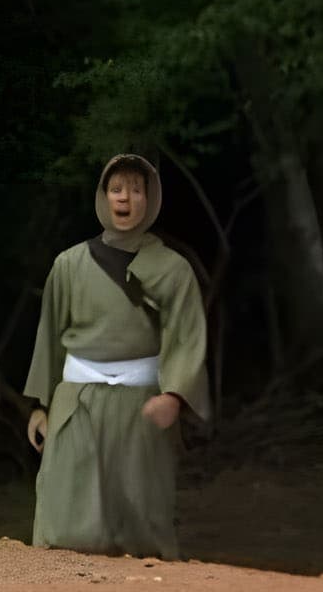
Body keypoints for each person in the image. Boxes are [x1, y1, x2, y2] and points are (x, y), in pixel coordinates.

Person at [22, 152, 211, 559]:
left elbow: (187, 336)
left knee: (142, 521)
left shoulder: (173, 269)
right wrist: (40, 406)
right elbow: (49, 336)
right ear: (103, 196)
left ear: (150, 199)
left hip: (141, 402)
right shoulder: (69, 265)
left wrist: (174, 395)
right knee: (63, 513)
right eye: (116, 188)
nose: (125, 197)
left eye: (136, 189)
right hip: (76, 402)